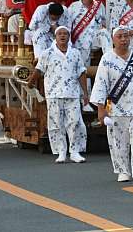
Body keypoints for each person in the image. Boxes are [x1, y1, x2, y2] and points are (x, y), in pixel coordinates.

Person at [91, 26, 133, 183]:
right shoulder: (107, 59)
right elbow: (101, 84)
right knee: (118, 141)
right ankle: (123, 171)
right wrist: (101, 109)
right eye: (120, 36)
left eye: (126, 36)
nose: (124, 39)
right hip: (116, 107)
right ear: (113, 39)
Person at [27, 26, 88, 163]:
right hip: (54, 94)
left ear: (69, 36)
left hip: (72, 93)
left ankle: (75, 152)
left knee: (75, 122)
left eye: (65, 34)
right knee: (56, 124)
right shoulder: (47, 53)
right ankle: (61, 152)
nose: (62, 36)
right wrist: (30, 82)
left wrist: (85, 92)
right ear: (55, 36)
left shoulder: (75, 53)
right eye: (60, 33)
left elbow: (81, 72)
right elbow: (39, 70)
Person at [68, 0, 111, 66]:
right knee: (84, 69)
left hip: (95, 39)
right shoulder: (74, 6)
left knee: (104, 33)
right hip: (80, 43)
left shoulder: (99, 5)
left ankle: (109, 61)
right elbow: (67, 25)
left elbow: (105, 22)